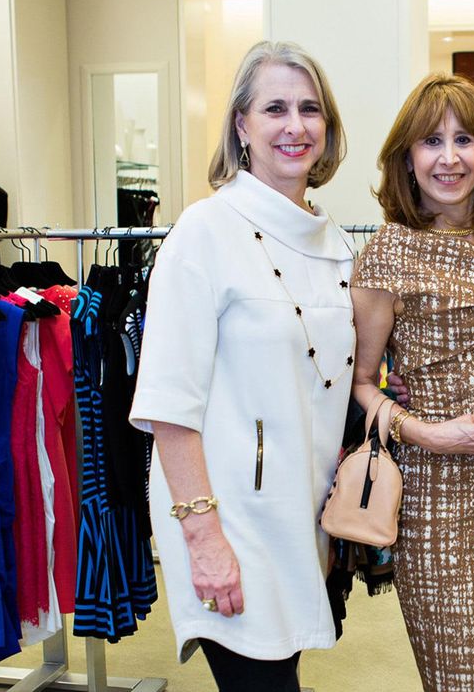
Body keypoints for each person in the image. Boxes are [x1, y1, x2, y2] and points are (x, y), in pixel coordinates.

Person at [128, 41, 352, 692]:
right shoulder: (203, 233)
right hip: (226, 516)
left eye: (310, 109)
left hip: (298, 512)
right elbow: (169, 404)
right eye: (274, 107)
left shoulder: (332, 241)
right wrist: (203, 538)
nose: (295, 125)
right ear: (240, 125)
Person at [350, 72, 474, 691]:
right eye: (431, 141)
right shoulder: (388, 252)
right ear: (406, 157)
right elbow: (359, 384)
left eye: (465, 140)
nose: (449, 157)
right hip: (441, 508)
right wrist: (430, 433)